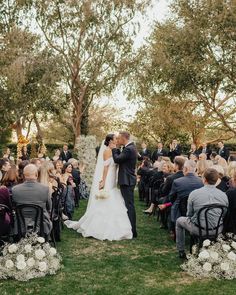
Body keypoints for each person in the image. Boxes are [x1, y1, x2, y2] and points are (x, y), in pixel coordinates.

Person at [65, 133, 133, 240]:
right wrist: (103, 181)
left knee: (113, 196)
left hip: (114, 177)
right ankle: (98, 226)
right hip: (108, 176)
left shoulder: (116, 150)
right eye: (115, 138)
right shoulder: (106, 151)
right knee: (106, 197)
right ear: (110, 141)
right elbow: (105, 168)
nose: (117, 139)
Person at [176, 168, 228, 258]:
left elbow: (189, 214)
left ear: (204, 179)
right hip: (217, 229)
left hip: (199, 229)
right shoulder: (223, 195)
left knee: (179, 221)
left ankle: (181, 250)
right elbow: (223, 214)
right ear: (216, 181)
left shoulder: (194, 194)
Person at [12, 164, 52, 236]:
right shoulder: (45, 189)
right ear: (36, 175)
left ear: (24, 175)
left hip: (20, 225)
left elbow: (14, 206)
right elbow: (49, 207)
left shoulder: (15, 190)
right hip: (41, 225)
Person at [111, 131, 138, 238]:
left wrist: (114, 148)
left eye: (118, 139)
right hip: (128, 180)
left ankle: (132, 230)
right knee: (128, 205)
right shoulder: (131, 147)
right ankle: (130, 228)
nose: (117, 140)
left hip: (127, 181)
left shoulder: (128, 149)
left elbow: (117, 159)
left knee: (129, 205)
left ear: (123, 138)